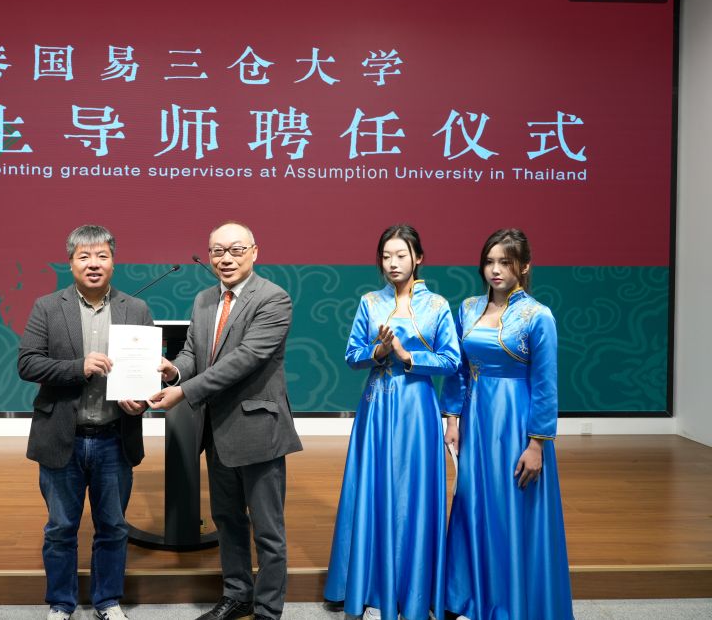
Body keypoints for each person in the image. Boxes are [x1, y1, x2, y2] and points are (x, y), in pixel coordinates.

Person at [149, 221, 303, 620]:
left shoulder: (273, 298)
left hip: (259, 430)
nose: (226, 258)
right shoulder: (204, 300)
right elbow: (193, 353)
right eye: (218, 251)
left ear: (255, 252)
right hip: (216, 430)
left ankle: (268, 609)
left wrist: (185, 391)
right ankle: (237, 595)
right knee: (227, 520)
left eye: (236, 249)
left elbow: (244, 359)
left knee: (267, 528)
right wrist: (173, 371)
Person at [323, 224, 460, 620]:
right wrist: (378, 351)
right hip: (376, 408)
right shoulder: (370, 302)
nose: (393, 263)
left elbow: (451, 361)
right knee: (372, 489)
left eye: (401, 255)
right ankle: (369, 589)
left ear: (419, 258)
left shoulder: (437, 305)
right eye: (386, 256)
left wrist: (406, 355)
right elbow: (352, 355)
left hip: (417, 410)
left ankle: (414, 591)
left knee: (412, 494)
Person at [17, 225, 153, 620]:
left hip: (114, 438)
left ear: (113, 262)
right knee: (61, 527)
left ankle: (107, 601)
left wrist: (141, 401)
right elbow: (28, 363)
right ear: (71, 263)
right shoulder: (47, 306)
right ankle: (61, 603)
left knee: (113, 526)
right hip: (63, 437)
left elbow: (144, 374)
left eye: (102, 256)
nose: (94, 264)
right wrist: (79, 367)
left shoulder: (136, 309)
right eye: (85, 256)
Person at [442, 228, 574, 620]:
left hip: (515, 423)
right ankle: (467, 598)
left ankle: (511, 603)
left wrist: (537, 444)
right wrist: (453, 419)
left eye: (505, 262)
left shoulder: (538, 316)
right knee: (470, 502)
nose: (495, 270)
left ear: (525, 266)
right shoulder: (468, 308)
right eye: (489, 261)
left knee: (509, 510)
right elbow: (458, 369)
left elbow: (545, 384)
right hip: (476, 418)